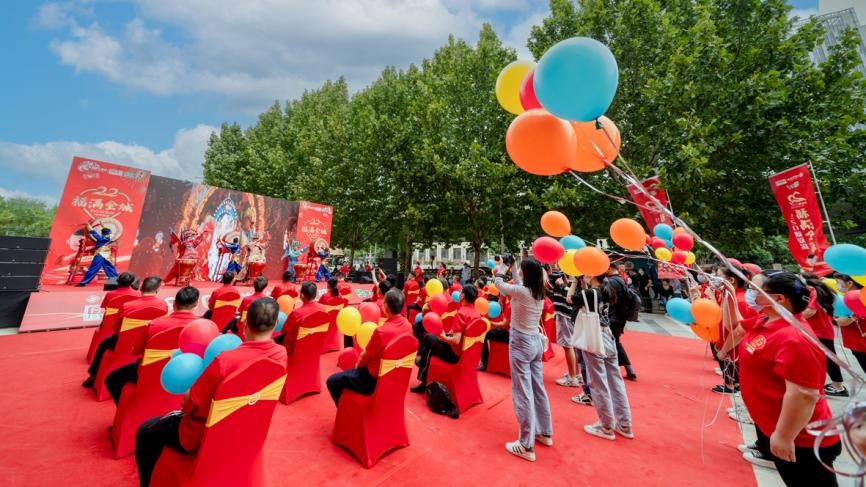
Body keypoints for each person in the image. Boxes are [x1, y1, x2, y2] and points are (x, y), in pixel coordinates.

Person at [135, 297, 286, 487]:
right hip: (248, 432)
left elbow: (188, 404)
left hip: (200, 436)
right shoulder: (281, 355)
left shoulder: (224, 361)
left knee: (145, 432)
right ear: (275, 323)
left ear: (245, 323)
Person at [737, 272, 841, 485]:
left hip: (801, 440)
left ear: (779, 298)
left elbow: (804, 395)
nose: (751, 294)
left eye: (756, 290)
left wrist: (784, 436)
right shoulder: (766, 320)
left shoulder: (795, 339)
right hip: (778, 429)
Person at [494, 257, 553, 462]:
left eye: (521, 269)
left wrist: (503, 267)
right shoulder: (537, 292)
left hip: (521, 343)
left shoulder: (522, 292)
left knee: (523, 392)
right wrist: (513, 266)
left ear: (526, 274)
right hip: (534, 342)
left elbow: (498, 283)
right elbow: (518, 283)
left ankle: (526, 444)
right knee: (537, 388)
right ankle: (544, 431)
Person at [105, 286, 200, 404]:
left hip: (149, 373)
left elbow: (135, 351)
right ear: (196, 304)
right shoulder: (201, 327)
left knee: (111, 379)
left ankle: (127, 406)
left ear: (174, 303)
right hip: (186, 374)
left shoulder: (155, 324)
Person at [572, 273, 634, 440]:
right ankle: (625, 423)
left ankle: (606, 425)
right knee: (616, 382)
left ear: (592, 275)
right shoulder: (606, 290)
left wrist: (575, 282)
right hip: (608, 336)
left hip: (595, 338)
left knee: (598, 382)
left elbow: (570, 298)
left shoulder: (590, 293)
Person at [326, 289, 414, 405]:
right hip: (396, 376)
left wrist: (356, 369)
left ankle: (346, 410)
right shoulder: (408, 326)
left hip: (374, 381)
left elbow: (363, 359)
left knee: (332, 381)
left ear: (386, 307)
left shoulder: (381, 332)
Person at [83, 277, 167, 388]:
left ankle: (92, 376)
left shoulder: (127, 306)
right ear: (157, 290)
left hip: (124, 343)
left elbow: (116, 327)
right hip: (147, 344)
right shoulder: (163, 305)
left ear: (141, 288)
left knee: (103, 344)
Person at [411, 284, 481, 393]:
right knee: (429, 346)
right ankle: (423, 373)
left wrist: (444, 337)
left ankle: (423, 381)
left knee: (428, 341)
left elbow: (456, 340)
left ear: (463, 296)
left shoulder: (461, 313)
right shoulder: (477, 314)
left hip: (455, 354)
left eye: (461, 292)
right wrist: (448, 335)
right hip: (468, 354)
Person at [801, 273, 847, 397]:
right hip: (821, 330)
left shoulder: (813, 291)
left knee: (829, 359)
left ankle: (838, 387)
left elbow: (811, 311)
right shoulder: (817, 290)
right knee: (826, 358)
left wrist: (790, 317)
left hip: (820, 331)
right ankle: (835, 384)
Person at [549, 271, 580, 388]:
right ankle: (576, 374)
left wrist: (562, 284)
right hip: (571, 314)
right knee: (573, 345)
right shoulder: (578, 277)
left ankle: (572, 378)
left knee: (568, 345)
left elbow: (571, 297)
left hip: (565, 314)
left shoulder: (562, 277)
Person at [605, 264, 637, 381]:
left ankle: (619, 371)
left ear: (610, 269)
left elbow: (608, 299)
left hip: (613, 317)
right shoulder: (621, 280)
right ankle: (629, 370)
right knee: (616, 342)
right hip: (620, 317)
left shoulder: (611, 282)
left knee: (612, 343)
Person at [277, 281, 326, 350]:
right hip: (315, 341)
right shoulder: (323, 308)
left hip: (296, 345)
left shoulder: (296, 313)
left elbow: (284, 330)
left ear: (302, 295)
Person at [835, 274, 866, 373]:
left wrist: (850, 316)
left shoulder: (859, 298)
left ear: (849, 283)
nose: (836, 285)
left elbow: (842, 322)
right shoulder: (844, 299)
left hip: (861, 343)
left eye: (838, 282)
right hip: (855, 343)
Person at [77, 221, 118, 286]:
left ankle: (83, 283)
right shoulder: (111, 237)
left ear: (102, 233)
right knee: (110, 268)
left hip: (100, 255)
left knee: (93, 268)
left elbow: (93, 232)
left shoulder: (102, 239)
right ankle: (115, 282)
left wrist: (88, 225)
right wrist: (102, 225)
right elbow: (107, 230)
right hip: (107, 255)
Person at [478, 295, 510, 371]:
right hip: (516, 334)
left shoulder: (511, 306)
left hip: (510, 335)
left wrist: (491, 323)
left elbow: (504, 326)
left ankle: (484, 362)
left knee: (484, 335)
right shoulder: (512, 304)